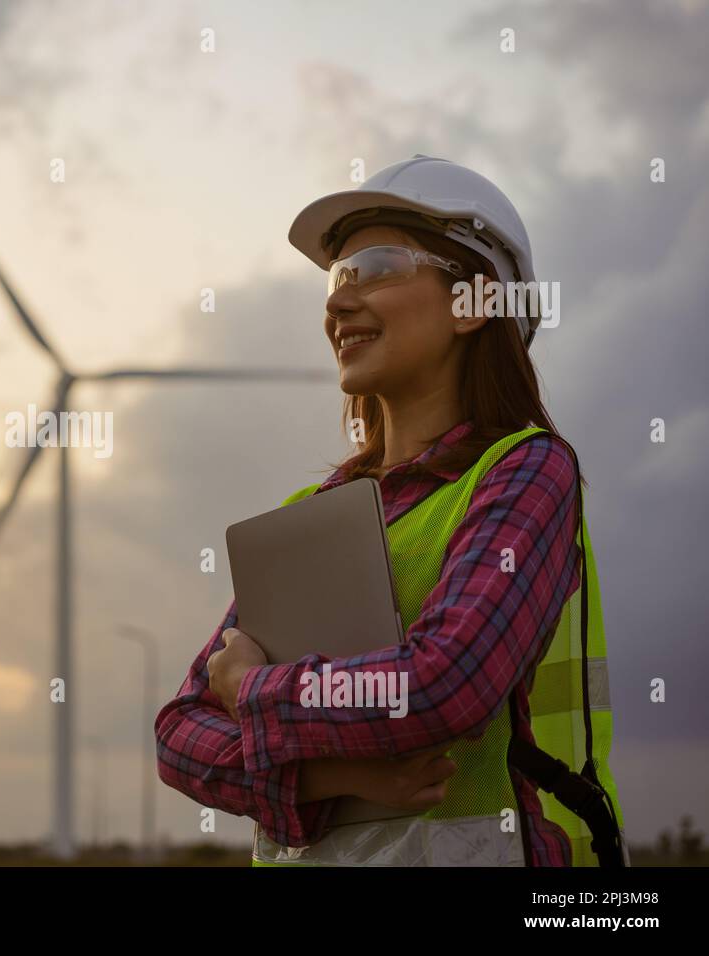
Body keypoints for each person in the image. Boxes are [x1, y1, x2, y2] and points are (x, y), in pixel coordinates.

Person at [154, 156, 626, 866]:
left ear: (474, 302)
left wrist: (254, 692)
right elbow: (181, 734)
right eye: (337, 277)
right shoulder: (305, 516)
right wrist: (329, 776)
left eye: (375, 267)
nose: (337, 304)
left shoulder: (525, 472)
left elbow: (443, 685)